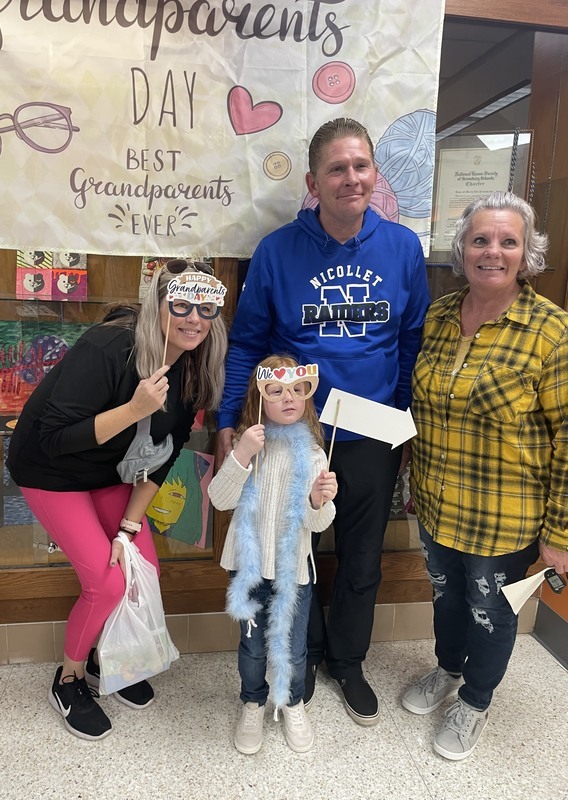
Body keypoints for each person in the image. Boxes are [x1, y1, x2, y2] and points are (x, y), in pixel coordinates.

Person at [216, 118, 430, 726]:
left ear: (375, 174)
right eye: (337, 169)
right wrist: (229, 419)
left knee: (362, 558)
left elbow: (410, 340)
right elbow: (246, 344)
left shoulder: (402, 249)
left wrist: (402, 420)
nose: (351, 178)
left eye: (360, 166)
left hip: (372, 432)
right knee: (294, 551)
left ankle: (348, 661)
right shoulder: (277, 250)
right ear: (313, 182)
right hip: (295, 432)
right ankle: (303, 654)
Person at [7, 260, 228, 741]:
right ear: (158, 305)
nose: (194, 318)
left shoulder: (195, 365)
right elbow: (52, 439)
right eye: (181, 305)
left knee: (141, 569)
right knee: (106, 584)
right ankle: (68, 679)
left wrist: (128, 528)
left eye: (205, 308)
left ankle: (102, 657)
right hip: (51, 470)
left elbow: (166, 454)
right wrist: (133, 410)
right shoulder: (109, 346)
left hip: (111, 471)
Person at [403, 191, 568, 761]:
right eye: (480, 239)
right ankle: (448, 669)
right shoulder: (440, 316)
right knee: (446, 600)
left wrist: (560, 534)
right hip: (436, 503)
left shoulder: (552, 332)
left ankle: (475, 700)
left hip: (504, 518)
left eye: (507, 241)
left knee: (490, 613)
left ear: (527, 254)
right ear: (462, 249)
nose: (492, 251)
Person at [208, 355, 337, 754]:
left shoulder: (314, 454)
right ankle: (252, 702)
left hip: (292, 571)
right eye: (276, 391)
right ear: (259, 398)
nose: (288, 398)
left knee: (293, 649)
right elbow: (219, 499)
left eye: (297, 391)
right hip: (248, 568)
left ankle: (292, 703)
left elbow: (317, 524)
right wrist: (242, 454)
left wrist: (318, 500)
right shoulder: (249, 443)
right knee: (252, 649)